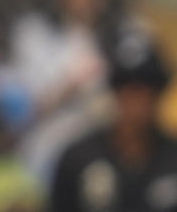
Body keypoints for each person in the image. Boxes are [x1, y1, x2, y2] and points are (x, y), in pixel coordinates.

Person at [49, 29, 177, 212]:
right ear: (116, 94)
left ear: (158, 96)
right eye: (129, 91)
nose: (138, 103)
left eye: (147, 91)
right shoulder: (79, 159)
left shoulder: (173, 159)